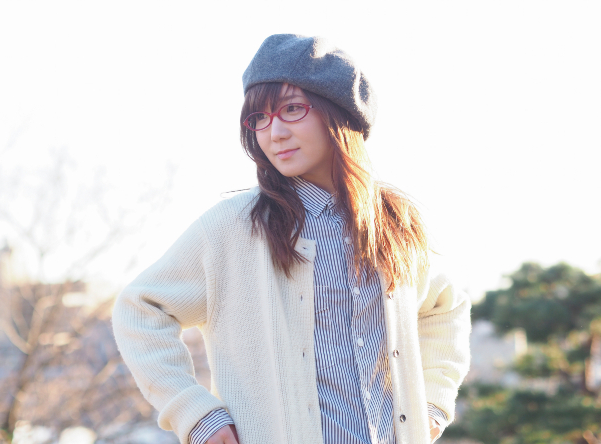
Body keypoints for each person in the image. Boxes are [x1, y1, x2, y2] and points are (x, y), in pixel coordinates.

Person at [112, 34, 471, 444]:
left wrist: (433, 405)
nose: (275, 133)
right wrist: (196, 413)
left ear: (340, 114)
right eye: (259, 118)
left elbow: (445, 307)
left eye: (292, 109)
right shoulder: (233, 227)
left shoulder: (395, 223)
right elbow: (141, 308)